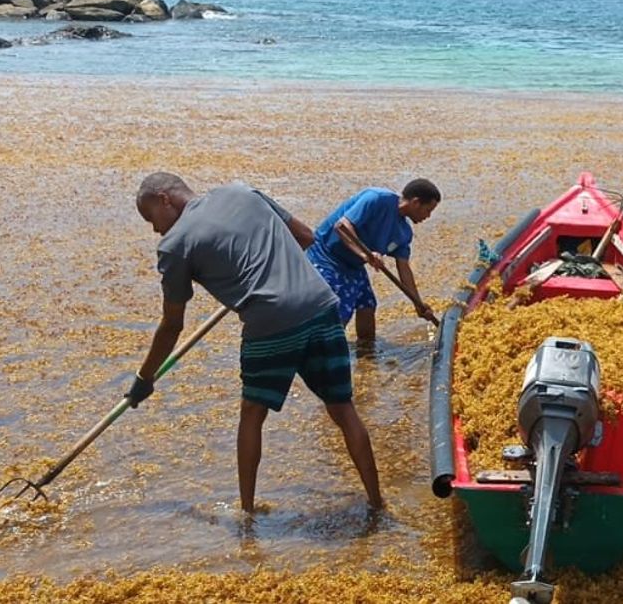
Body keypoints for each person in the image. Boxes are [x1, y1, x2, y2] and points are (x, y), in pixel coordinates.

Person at [127, 173, 383, 512]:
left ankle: (246, 512)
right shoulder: (243, 191)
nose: (156, 230)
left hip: (270, 322)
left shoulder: (174, 246)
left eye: (151, 218)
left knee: (252, 414)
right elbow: (307, 237)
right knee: (343, 409)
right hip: (321, 305)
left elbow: (172, 325)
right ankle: (378, 503)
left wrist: (145, 378)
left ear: (164, 199)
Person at [306, 179, 441, 343]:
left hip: (354, 264)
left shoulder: (404, 233)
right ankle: (326, 348)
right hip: (326, 256)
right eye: (428, 210)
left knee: (367, 305)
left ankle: (366, 355)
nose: (428, 216)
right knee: (340, 309)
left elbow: (404, 269)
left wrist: (418, 304)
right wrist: (366, 256)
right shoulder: (376, 198)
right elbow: (342, 227)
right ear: (415, 202)